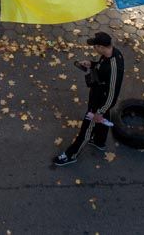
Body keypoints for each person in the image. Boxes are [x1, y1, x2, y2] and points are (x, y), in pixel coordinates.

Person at [53, 31, 124, 166]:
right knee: (104, 119)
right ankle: (99, 141)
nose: (94, 49)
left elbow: (112, 95)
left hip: (100, 103)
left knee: (87, 128)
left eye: (95, 46)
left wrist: (100, 112)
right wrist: (91, 64)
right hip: (98, 95)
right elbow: (101, 66)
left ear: (102, 47)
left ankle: (71, 155)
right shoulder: (109, 53)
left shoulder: (114, 67)